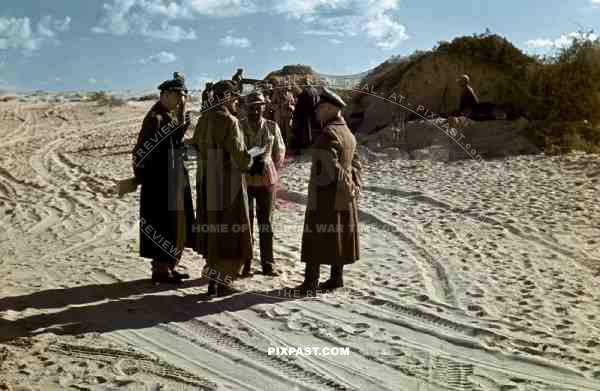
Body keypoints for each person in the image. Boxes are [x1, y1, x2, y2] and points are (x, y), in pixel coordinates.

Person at [296, 87, 362, 294]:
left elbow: (332, 167)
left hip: (326, 196)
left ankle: (310, 283)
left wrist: (349, 186)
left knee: (316, 236)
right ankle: (336, 278)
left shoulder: (328, 133)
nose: (316, 114)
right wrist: (355, 186)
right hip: (344, 195)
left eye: (319, 109)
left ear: (328, 108)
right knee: (339, 235)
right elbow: (356, 164)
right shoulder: (348, 132)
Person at [131, 75, 196, 284]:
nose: (180, 99)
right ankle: (160, 270)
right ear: (165, 94)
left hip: (173, 177)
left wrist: (182, 119)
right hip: (160, 181)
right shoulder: (155, 118)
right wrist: (144, 178)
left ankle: (169, 266)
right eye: (178, 95)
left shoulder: (168, 113)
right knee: (162, 225)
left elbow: (172, 140)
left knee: (175, 225)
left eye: (182, 96)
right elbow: (141, 152)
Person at [194, 80, 254, 296]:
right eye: (235, 98)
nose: (237, 102)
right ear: (227, 97)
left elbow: (195, 145)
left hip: (207, 183)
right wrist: (251, 159)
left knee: (212, 230)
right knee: (232, 232)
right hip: (229, 185)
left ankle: (212, 280)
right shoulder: (231, 121)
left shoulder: (203, 120)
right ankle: (225, 283)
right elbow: (240, 156)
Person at [239, 91, 286, 277]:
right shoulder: (239, 127)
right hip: (245, 181)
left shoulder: (272, 127)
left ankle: (268, 263)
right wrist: (248, 162)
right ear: (246, 108)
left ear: (264, 107)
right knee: (246, 223)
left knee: (266, 224)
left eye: (259, 106)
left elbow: (280, 151)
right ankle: (246, 263)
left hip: (266, 182)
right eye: (252, 106)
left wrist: (268, 166)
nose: (255, 109)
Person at [292, 81, 320, 150]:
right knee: (311, 131)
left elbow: (301, 105)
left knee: (306, 132)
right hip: (314, 113)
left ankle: (305, 146)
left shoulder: (305, 92)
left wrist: (296, 113)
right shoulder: (315, 91)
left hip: (305, 115)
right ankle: (310, 144)